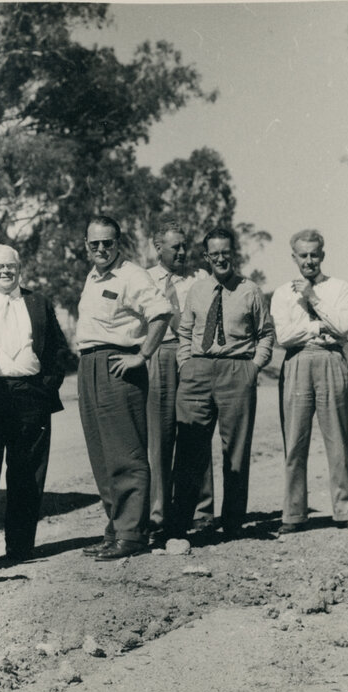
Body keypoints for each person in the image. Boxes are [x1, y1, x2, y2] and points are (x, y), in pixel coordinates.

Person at [0, 244, 68, 566]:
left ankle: (20, 549)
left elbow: (58, 351)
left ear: (19, 268)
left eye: (11, 266)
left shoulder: (39, 302)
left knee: (26, 475)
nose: (5, 271)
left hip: (30, 396)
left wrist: (45, 387)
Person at [76, 215, 173, 560]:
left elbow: (162, 313)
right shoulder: (92, 277)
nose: (101, 249)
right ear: (86, 245)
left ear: (119, 243)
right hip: (89, 365)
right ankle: (117, 528)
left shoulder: (131, 275)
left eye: (108, 243)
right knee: (101, 455)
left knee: (125, 453)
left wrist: (142, 355)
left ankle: (133, 533)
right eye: (94, 243)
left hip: (119, 366)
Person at [172, 227, 274, 541]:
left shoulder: (250, 290)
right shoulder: (197, 290)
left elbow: (266, 334)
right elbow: (185, 333)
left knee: (236, 451)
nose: (220, 259)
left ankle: (232, 524)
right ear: (207, 256)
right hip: (198, 371)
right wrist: (186, 364)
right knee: (190, 447)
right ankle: (181, 525)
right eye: (214, 254)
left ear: (234, 254)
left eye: (225, 253)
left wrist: (253, 367)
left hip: (237, 370)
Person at [271, 229, 348, 534]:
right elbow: (284, 336)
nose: (309, 261)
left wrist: (313, 298)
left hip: (331, 359)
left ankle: (346, 510)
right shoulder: (283, 293)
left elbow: (345, 326)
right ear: (294, 257)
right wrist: (317, 326)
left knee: (337, 439)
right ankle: (294, 514)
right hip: (297, 361)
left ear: (322, 254)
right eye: (303, 255)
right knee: (295, 441)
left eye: (314, 254)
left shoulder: (339, 287)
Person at [145, 221, 215, 539]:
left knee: (195, 429)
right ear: (158, 247)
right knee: (159, 435)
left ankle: (201, 510)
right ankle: (158, 513)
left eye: (185, 246)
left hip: (192, 355)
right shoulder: (144, 278)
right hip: (159, 354)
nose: (183, 252)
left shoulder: (199, 279)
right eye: (176, 247)